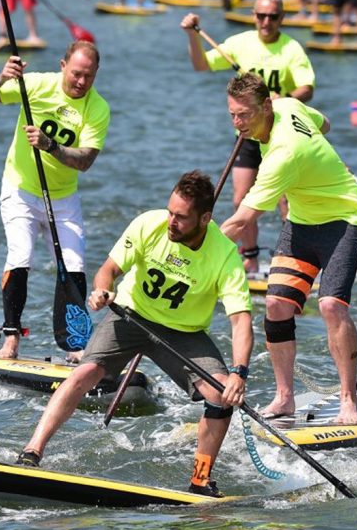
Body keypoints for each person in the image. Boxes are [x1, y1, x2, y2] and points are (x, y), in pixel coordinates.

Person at [15, 171, 253, 498]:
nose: (171, 221)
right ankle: (32, 452)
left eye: (182, 217)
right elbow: (109, 270)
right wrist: (101, 290)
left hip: (183, 333)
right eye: (170, 211)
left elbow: (241, 321)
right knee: (84, 371)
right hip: (130, 317)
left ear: (205, 218)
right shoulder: (148, 224)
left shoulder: (225, 256)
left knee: (219, 394)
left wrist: (239, 372)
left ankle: (200, 479)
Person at [220, 73, 357, 425]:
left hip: (345, 218)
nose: (238, 124)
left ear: (267, 107)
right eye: (232, 115)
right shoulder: (288, 105)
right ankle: (284, 398)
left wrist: (194, 246)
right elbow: (325, 122)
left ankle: (348, 401)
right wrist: (320, 153)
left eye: (245, 115)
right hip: (302, 221)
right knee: (275, 304)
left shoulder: (283, 155)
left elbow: (242, 221)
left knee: (331, 305)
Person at [0, 41, 110, 361]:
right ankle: (11, 339)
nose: (81, 82)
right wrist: (2, 77)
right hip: (20, 190)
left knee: (74, 266)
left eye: (88, 76)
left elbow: (86, 160)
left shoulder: (98, 108)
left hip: (63, 198)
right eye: (76, 74)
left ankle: (76, 346)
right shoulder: (35, 84)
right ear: (63, 66)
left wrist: (51, 147)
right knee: (21, 255)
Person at [180, 0, 315, 275]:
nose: (266, 22)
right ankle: (251, 259)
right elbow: (200, 64)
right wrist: (192, 35)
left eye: (273, 17)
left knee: (287, 202)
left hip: (281, 135)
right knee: (242, 200)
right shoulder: (239, 44)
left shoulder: (291, 49)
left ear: (282, 18)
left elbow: (307, 88)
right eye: (261, 16)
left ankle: (295, 259)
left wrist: (283, 98)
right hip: (249, 134)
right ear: (254, 16)